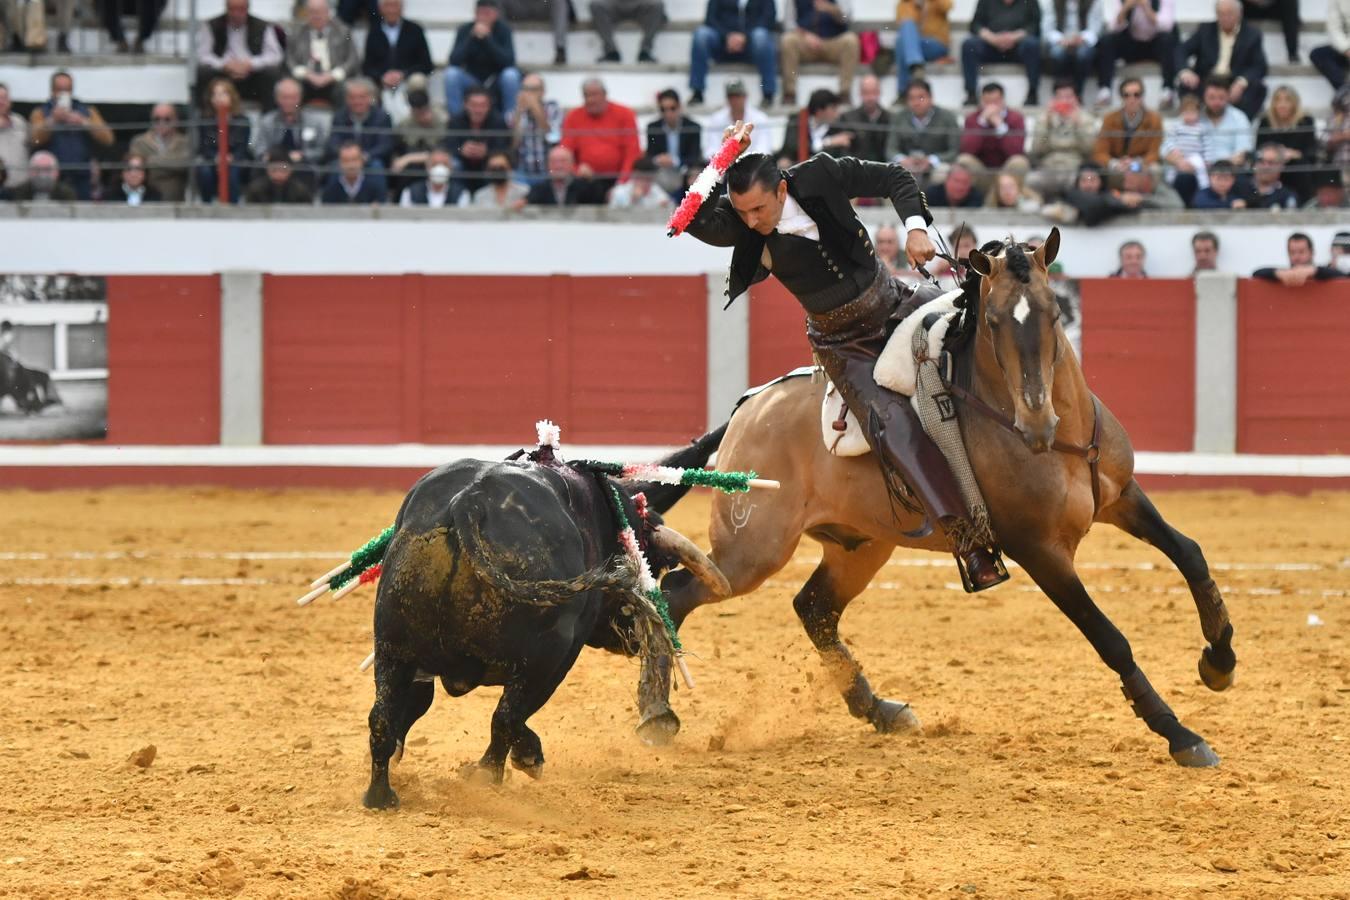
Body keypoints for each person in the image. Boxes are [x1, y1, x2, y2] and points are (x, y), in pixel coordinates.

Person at [683, 123, 1009, 591]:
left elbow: (895, 176)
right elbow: (691, 216)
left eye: (758, 208)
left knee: (977, 334)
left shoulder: (819, 174)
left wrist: (914, 228)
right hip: (844, 345)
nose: (752, 222)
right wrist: (723, 156)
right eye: (742, 212)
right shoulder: (740, 223)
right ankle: (969, 543)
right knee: (895, 428)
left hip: (895, 301)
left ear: (781, 188)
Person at [28, 71, 114, 201]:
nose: (64, 94)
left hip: (81, 177)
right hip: (53, 180)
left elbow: (108, 139)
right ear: (52, 91)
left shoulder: (87, 111)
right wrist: (52, 120)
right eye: (60, 90)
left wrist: (84, 122)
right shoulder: (40, 112)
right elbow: (34, 140)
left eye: (67, 89)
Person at [1177, 0, 1268, 120]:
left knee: (1258, 88)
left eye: (1229, 13)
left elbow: (1260, 66)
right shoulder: (1205, 30)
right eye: (1221, 14)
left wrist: (1242, 82)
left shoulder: (1252, 34)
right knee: (1186, 85)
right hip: (1207, 79)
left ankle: (1241, 125)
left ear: (1239, 13)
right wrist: (1185, 71)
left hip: (1234, 81)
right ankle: (1194, 124)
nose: (1225, 18)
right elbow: (1181, 50)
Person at [195, 0, 284, 109]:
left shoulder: (263, 26)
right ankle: (205, 117)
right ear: (226, 9)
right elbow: (203, 55)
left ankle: (268, 118)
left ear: (247, 9)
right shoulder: (211, 25)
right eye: (232, 9)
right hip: (223, 76)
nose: (236, 14)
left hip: (252, 77)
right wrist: (224, 65)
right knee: (203, 72)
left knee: (271, 74)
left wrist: (251, 64)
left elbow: (275, 55)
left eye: (240, 9)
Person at [560, 79, 640, 199]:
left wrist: (621, 183)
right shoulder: (573, 117)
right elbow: (564, 153)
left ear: (604, 94)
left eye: (595, 95)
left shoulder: (625, 114)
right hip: (584, 180)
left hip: (617, 178)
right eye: (587, 95)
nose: (591, 100)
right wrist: (577, 169)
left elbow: (632, 152)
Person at [690, 0, 778, 107]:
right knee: (701, 34)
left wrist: (745, 37)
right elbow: (710, 19)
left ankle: (768, 93)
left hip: (751, 45)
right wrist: (727, 36)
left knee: (761, 36)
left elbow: (769, 19)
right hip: (723, 44)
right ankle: (697, 92)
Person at [1095, 0, 1177, 109]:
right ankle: (1104, 91)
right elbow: (1113, 27)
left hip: (1155, 45)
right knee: (1107, 41)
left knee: (1168, 40)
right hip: (1132, 45)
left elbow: (1167, 26)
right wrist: (1126, 7)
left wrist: (1146, 7)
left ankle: (1167, 92)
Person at [446, 0, 522, 116]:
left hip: (496, 79)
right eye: (480, 13)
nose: (483, 17)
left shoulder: (504, 30)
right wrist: (471, 38)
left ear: (495, 14)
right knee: (451, 74)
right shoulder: (465, 30)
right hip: (471, 79)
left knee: (511, 75)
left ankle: (509, 119)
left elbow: (508, 62)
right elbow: (454, 61)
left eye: (487, 13)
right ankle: (456, 120)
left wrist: (488, 39)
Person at [961, 0, 1042, 107]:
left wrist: (1013, 37)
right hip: (991, 45)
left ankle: (1032, 93)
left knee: (1033, 45)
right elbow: (975, 25)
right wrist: (993, 38)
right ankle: (971, 93)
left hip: (1018, 47)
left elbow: (1035, 26)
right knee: (969, 45)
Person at [780, 0, 861, 105]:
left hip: (833, 42)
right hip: (805, 43)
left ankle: (844, 94)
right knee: (788, 41)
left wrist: (832, 9)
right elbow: (788, 24)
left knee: (851, 40)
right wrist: (805, 35)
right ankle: (790, 93)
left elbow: (848, 18)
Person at [325, 78, 394, 197]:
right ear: (346, 99)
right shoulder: (339, 116)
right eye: (352, 97)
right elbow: (333, 142)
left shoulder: (382, 117)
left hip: (370, 159)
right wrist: (346, 156)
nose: (357, 101)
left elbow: (385, 145)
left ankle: (380, 203)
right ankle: (331, 204)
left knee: (377, 166)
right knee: (334, 167)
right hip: (346, 159)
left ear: (370, 98)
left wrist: (364, 157)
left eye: (361, 97)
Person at [1029, 78, 1098, 198]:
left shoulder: (1086, 119)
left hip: (1075, 167)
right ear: (1054, 99)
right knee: (1030, 180)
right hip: (1049, 167)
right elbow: (1037, 149)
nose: (1064, 101)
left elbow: (1090, 150)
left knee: (1085, 181)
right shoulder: (1044, 119)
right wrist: (1047, 126)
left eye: (1069, 97)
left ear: (1076, 99)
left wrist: (1078, 126)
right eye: (1060, 97)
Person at [884, 79, 961, 185]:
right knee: (890, 173)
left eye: (921, 97)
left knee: (942, 173)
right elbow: (890, 149)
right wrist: (903, 160)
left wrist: (931, 160)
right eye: (911, 98)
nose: (916, 102)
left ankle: (935, 201)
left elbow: (954, 151)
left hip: (936, 165)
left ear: (930, 98)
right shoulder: (899, 118)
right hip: (907, 164)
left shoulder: (947, 118)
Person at [286, 0, 360, 107]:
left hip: (334, 79)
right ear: (306, 13)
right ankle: (295, 122)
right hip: (305, 78)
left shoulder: (343, 30)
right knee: (290, 90)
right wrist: (306, 74)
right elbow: (289, 58)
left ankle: (340, 122)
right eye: (312, 12)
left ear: (328, 12)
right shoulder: (297, 31)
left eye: (320, 12)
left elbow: (352, 59)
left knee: (345, 90)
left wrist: (333, 76)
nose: (316, 16)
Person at [255, 78, 329, 183]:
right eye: (284, 97)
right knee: (257, 171)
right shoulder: (267, 121)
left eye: (293, 98)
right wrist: (267, 156)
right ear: (276, 98)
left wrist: (303, 155)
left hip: (302, 165)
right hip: (273, 165)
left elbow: (322, 150)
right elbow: (259, 148)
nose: (289, 102)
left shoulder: (314, 122)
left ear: (300, 98)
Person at [194, 78, 253, 203]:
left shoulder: (242, 120)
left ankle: (233, 208)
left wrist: (231, 157)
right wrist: (216, 157)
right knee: (204, 172)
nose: (218, 98)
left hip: (235, 161)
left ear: (232, 96)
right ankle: (206, 206)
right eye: (214, 94)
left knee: (233, 172)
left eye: (223, 94)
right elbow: (203, 146)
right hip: (212, 160)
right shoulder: (205, 120)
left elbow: (244, 146)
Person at [1256, 85, 1316, 202]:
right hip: (1271, 162)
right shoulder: (1265, 122)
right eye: (1278, 100)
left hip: (1295, 163)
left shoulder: (1305, 121)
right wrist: (1275, 155)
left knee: (1300, 168)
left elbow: (1311, 150)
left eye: (1287, 100)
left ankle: (1301, 203)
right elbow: (1259, 148)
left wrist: (1294, 154)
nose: (1282, 104)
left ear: (1294, 103)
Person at [1090, 76, 1162, 173]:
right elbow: (1100, 152)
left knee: (1155, 169)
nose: (1132, 99)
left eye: (1136, 95)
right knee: (1094, 171)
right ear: (1121, 97)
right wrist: (1115, 164)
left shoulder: (1154, 119)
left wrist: (1135, 164)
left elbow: (1154, 152)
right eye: (1126, 95)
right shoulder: (1109, 119)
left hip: (1141, 166)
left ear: (1142, 96)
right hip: (1116, 165)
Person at [448, 87, 510, 197]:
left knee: (495, 166)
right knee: (454, 164)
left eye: (483, 105)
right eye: (474, 105)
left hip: (487, 165)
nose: (478, 110)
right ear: (465, 105)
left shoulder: (498, 121)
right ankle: (457, 198)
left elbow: (504, 147)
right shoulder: (456, 121)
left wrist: (488, 152)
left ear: (489, 106)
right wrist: (461, 150)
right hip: (463, 164)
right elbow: (448, 145)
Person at [361, 0, 433, 93]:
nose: (391, 10)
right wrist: (382, 76)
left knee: (418, 81)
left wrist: (403, 74)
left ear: (402, 8)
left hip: (408, 78)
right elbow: (367, 67)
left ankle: (415, 108)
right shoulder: (374, 31)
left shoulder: (415, 30)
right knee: (365, 86)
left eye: (395, 6)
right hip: (381, 80)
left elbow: (426, 64)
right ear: (380, 9)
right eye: (387, 6)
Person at [958, 82, 1027, 171]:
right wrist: (981, 123)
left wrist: (1000, 126)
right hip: (981, 171)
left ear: (1002, 100)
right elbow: (968, 150)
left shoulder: (1016, 118)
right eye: (987, 102)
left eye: (995, 101)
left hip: (1006, 171)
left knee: (1019, 162)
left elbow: (1016, 151)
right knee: (964, 159)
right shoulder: (972, 118)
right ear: (981, 101)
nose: (991, 106)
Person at [391, 84, 447, 192]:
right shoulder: (404, 124)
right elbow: (397, 149)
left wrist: (408, 158)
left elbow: (440, 151)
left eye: (424, 111)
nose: (422, 116)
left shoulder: (441, 121)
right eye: (418, 113)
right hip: (412, 164)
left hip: (436, 161)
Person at [128, 103, 189, 202]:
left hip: (175, 203)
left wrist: (151, 161)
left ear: (176, 120)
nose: (161, 122)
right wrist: (172, 167)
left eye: (167, 119)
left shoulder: (185, 142)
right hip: (146, 203)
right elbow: (136, 169)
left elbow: (185, 164)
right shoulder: (139, 142)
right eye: (157, 119)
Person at [1042, 0, 1102, 100]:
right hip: (1060, 41)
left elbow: (1096, 28)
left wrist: (1081, 38)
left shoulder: (1093, 2)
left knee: (1083, 54)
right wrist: (1062, 40)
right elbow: (1047, 29)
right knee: (1057, 54)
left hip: (1083, 41)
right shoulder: (1053, 2)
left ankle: (1078, 93)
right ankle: (1060, 93)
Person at [646, 89, 702, 195]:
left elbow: (695, 156)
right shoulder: (653, 127)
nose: (668, 113)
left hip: (685, 171)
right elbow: (650, 155)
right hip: (661, 172)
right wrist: (658, 159)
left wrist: (675, 161)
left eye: (672, 108)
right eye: (663, 109)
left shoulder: (693, 127)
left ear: (679, 107)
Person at [510, 72, 562, 185]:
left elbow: (553, 137)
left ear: (543, 92)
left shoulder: (552, 108)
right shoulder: (514, 112)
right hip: (522, 172)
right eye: (525, 89)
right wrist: (519, 113)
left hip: (547, 171)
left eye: (533, 89)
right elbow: (512, 144)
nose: (529, 93)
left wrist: (535, 108)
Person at [702, 80, 774, 159]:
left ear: (745, 96)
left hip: (753, 166)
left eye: (738, 96)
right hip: (724, 166)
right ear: (727, 99)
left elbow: (764, 149)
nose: (734, 100)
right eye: (731, 97)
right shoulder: (716, 120)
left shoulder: (760, 119)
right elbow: (711, 150)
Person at [778, 89, 851, 165]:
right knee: (783, 163)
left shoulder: (837, 126)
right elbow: (791, 146)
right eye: (833, 109)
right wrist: (827, 142)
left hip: (823, 170)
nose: (837, 114)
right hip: (798, 167)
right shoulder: (797, 120)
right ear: (819, 111)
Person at [894, 0, 951, 96]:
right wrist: (917, 7)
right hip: (915, 45)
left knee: (902, 44)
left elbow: (947, 6)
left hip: (937, 44)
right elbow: (902, 23)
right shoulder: (905, 3)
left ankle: (902, 92)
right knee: (902, 38)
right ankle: (916, 65)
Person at [1160, 92, 1207, 196]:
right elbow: (1169, 140)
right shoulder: (1176, 127)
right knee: (1172, 171)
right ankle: (1169, 184)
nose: (1189, 115)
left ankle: (1204, 186)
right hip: (1180, 155)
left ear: (1198, 113)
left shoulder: (1201, 128)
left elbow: (1206, 145)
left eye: (1192, 112)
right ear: (1181, 112)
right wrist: (1174, 149)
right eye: (1186, 112)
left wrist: (1207, 158)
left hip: (1195, 155)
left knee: (1200, 166)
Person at [589, 0, 665, 63]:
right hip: (612, 4)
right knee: (596, 5)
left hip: (641, 4)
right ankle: (611, 52)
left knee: (657, 5)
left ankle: (645, 51)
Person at [836, 75, 890, 163]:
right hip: (856, 171)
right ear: (860, 93)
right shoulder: (848, 118)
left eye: (874, 92)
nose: (870, 97)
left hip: (885, 171)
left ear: (879, 92)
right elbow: (844, 153)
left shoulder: (890, 118)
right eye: (866, 93)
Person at [1253, 233, 1344, 285]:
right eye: (1292, 252)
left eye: (1301, 252)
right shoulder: (1285, 274)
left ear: (1311, 252)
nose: (1296, 257)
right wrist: (1277, 273)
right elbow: (1257, 273)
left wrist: (1314, 271)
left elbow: (1343, 276)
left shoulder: (1323, 273)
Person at [500, 0, 569, 65]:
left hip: (542, 5)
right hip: (519, 6)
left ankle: (560, 48)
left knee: (559, 1)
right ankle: (500, 45)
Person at [526, 144, 594, 205]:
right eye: (554, 161)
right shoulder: (539, 190)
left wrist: (590, 179)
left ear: (572, 164)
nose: (558, 166)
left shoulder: (584, 187)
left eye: (563, 161)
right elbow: (526, 202)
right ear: (548, 165)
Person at [243, 148, 315, 204]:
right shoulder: (255, 190)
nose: (279, 175)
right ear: (267, 170)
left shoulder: (301, 191)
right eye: (274, 170)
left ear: (291, 170)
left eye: (284, 170)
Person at [321, 141, 385, 203]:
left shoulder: (375, 185)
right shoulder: (330, 187)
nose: (351, 165)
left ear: (362, 160)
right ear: (339, 163)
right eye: (346, 160)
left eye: (354, 159)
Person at [401, 147, 466, 207]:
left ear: (451, 168)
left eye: (444, 164)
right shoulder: (410, 192)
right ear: (427, 167)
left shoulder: (461, 193)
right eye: (435, 164)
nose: (440, 168)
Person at [1311, 0, 1350, 91]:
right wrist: (1346, 49)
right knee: (1319, 54)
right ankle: (1346, 92)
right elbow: (1333, 28)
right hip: (1347, 46)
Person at [8, 151, 77, 202]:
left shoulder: (66, 193)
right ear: (29, 171)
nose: (42, 175)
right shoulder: (20, 191)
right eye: (37, 170)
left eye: (47, 169)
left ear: (57, 172)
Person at [608, 156, 674, 208]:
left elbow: (670, 206)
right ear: (634, 176)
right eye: (641, 178)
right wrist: (632, 199)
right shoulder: (620, 191)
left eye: (648, 179)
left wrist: (665, 206)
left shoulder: (655, 189)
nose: (645, 183)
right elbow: (612, 214)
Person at [1248, 143, 1298, 210]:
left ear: (1280, 166)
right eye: (1261, 161)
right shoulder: (1240, 187)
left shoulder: (1287, 196)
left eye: (1271, 162)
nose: (1265, 167)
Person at [0, 84, 30, 192]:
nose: (1, 102)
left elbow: (33, 143)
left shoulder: (20, 122)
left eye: (4, 98)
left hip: (20, 187)